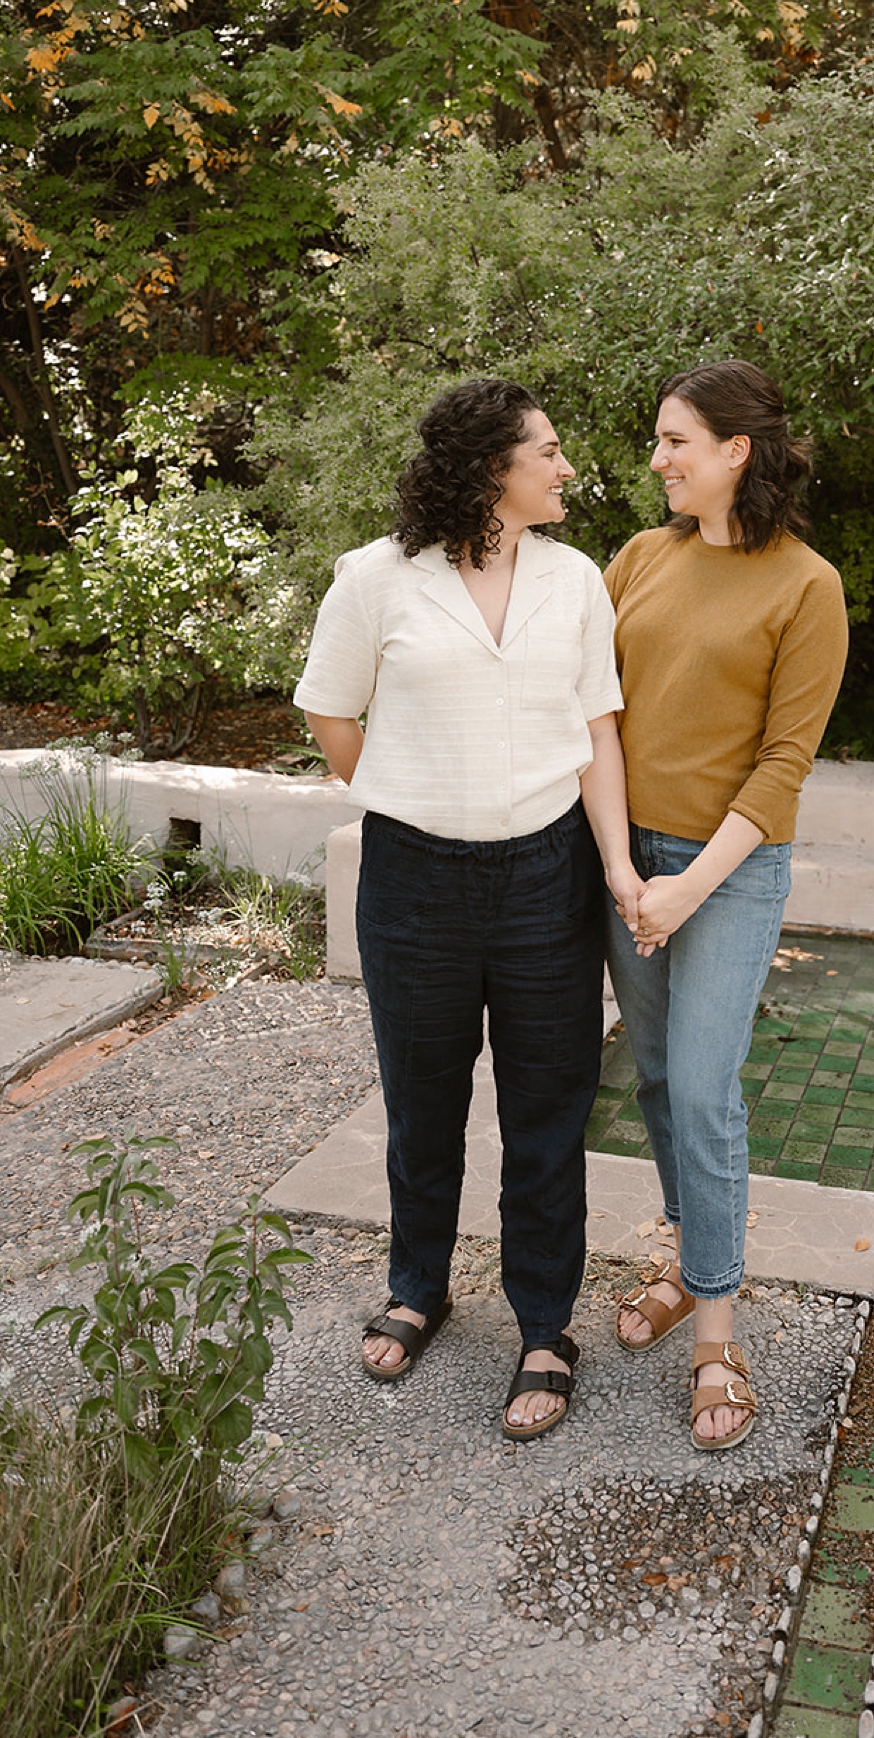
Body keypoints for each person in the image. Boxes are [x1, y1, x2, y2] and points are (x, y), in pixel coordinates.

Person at [294, 379, 638, 1441]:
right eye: (547, 450)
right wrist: (406, 794)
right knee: (422, 1098)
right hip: (412, 880)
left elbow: (600, 733)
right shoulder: (376, 577)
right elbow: (329, 707)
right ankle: (418, 1286)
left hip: (547, 877)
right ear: (492, 467)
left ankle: (544, 1325)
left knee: (547, 1109)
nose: (566, 465)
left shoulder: (576, 579)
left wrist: (619, 869)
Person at [604, 359, 848, 1450]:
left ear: (735, 451)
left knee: (704, 1086)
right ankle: (679, 1244)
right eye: (658, 442)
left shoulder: (809, 584)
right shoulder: (638, 558)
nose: (657, 460)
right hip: (626, 861)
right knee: (654, 1074)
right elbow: (595, 716)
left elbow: (784, 761)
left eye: (675, 442)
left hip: (730, 870)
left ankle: (715, 1329)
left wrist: (684, 887)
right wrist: (623, 871)